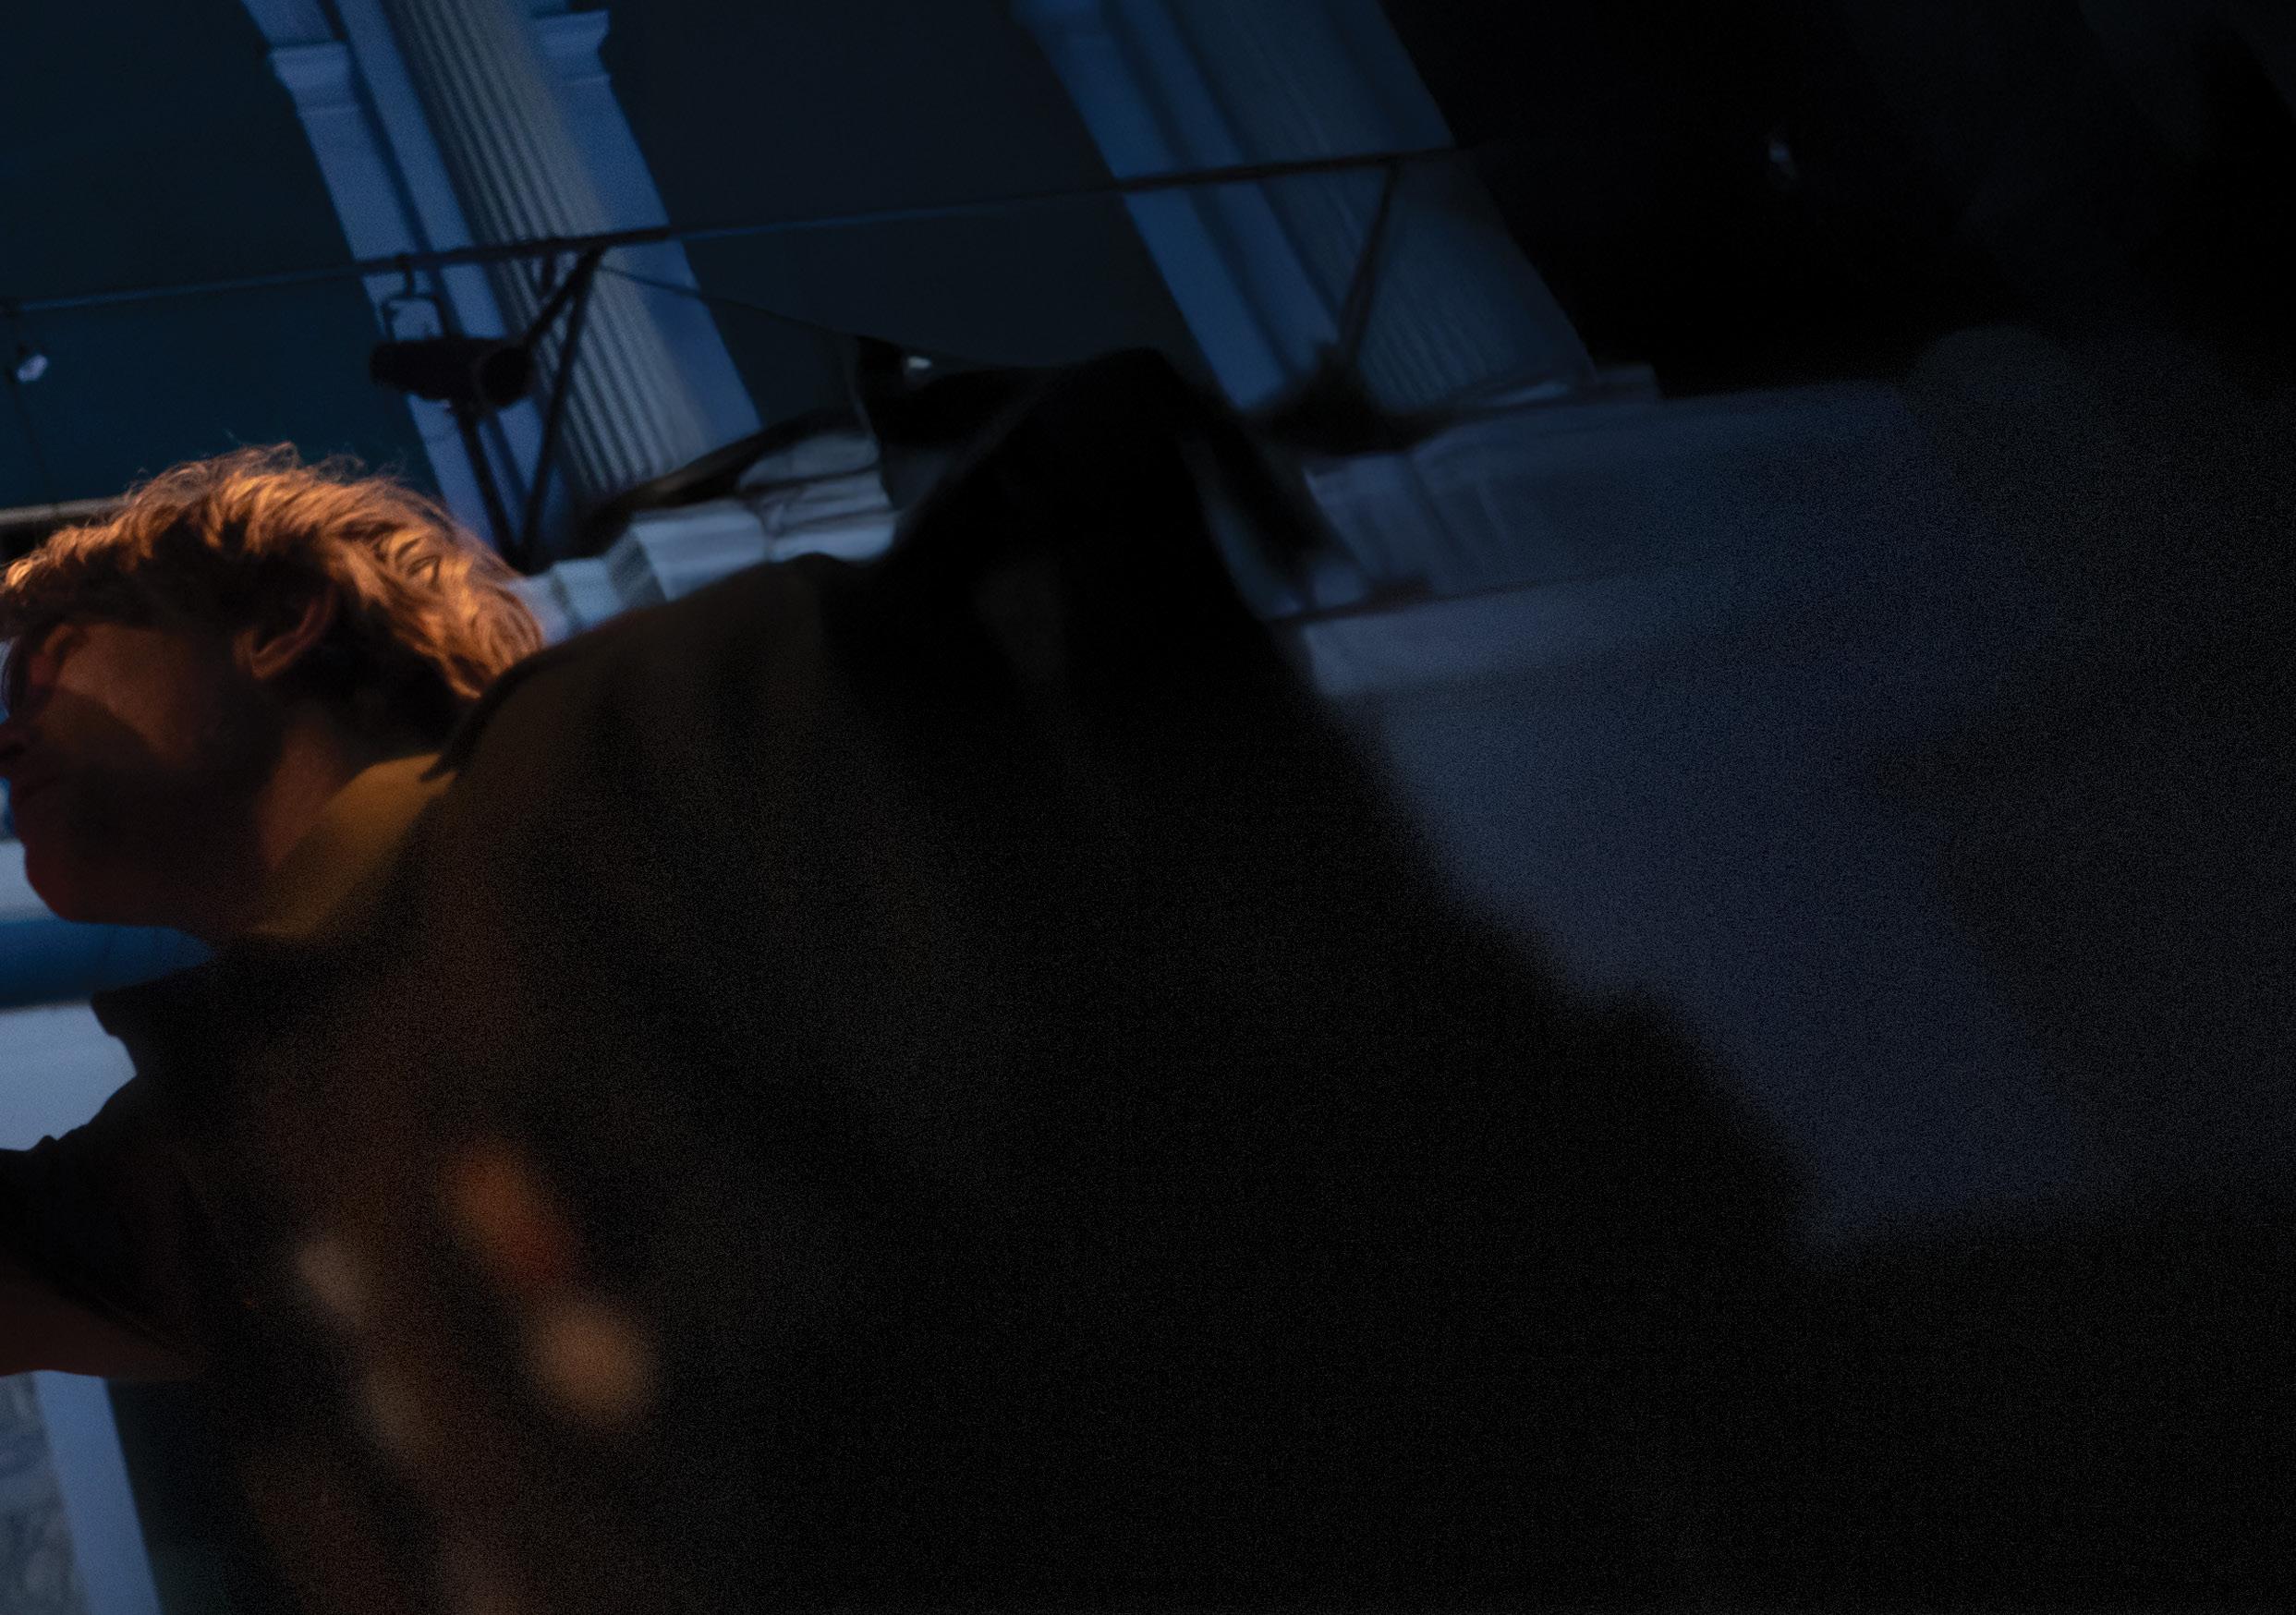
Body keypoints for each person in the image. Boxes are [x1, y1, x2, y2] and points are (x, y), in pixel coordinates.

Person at [0, 351, 1798, 1614]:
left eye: (59, 653)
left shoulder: (672, 737)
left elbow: (1283, 1181)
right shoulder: (243, 1116)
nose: (12, 725)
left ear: (282, 622)